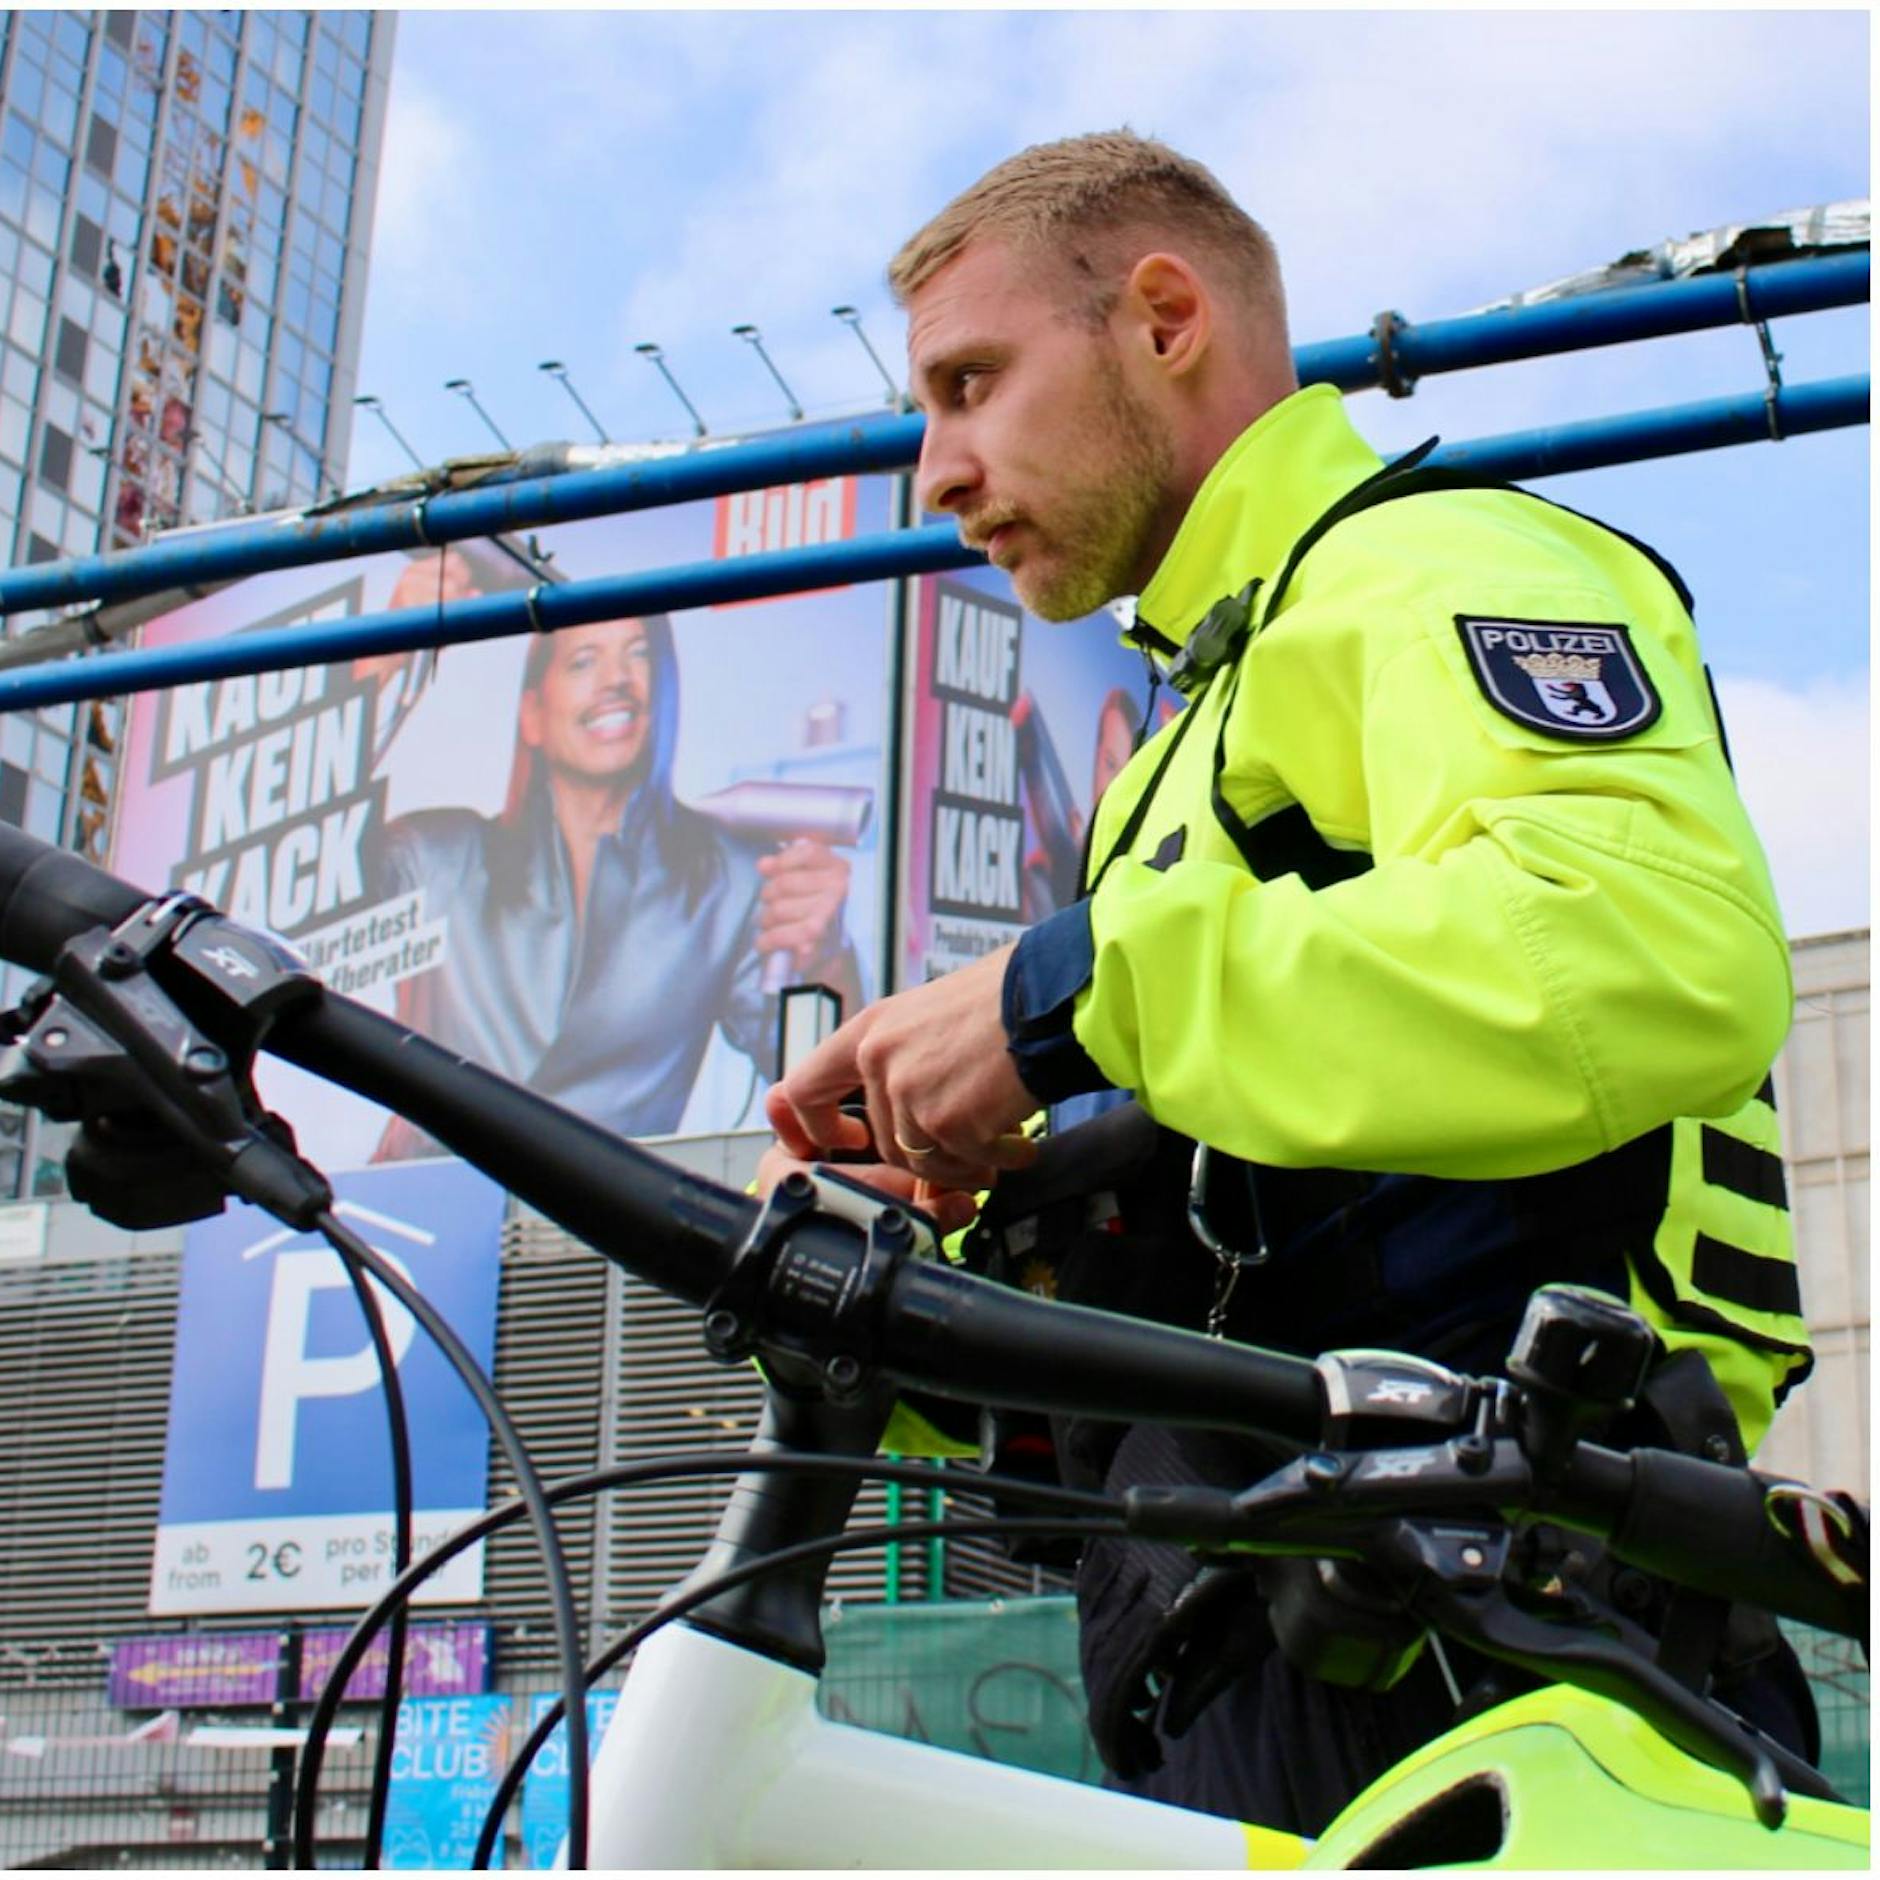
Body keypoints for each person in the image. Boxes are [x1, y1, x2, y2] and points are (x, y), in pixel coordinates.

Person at [760, 132, 1814, 1830]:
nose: (934, 475)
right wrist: (923, 1269)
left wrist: (1062, 1002)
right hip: (1255, 1650)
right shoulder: (1180, 752)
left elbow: (1657, 952)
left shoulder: (1429, 570)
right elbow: (1229, 1266)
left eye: (971, 383)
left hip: (1520, 1638)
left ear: (1163, 318)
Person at [369, 605, 861, 1157]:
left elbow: (823, 1093)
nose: (617, 681)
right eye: (583, 661)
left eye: (640, 655)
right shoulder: (431, 855)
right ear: (531, 714)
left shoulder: (727, 879)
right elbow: (322, 883)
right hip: (417, 1220)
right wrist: (368, 677)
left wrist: (827, 960)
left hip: (608, 1225)